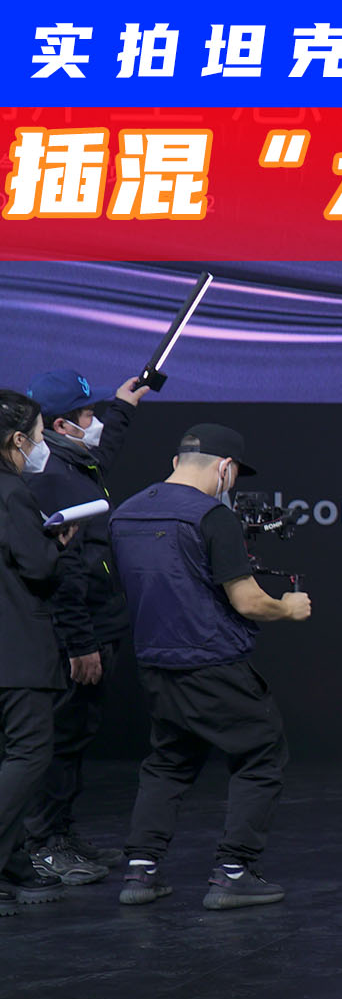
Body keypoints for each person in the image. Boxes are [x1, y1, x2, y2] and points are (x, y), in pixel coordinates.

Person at [110, 424, 314, 909]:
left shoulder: (125, 513)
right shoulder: (211, 517)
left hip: (156, 661)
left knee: (169, 761)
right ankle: (234, 871)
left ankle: (140, 869)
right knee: (261, 754)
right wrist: (288, 607)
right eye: (235, 473)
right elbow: (247, 601)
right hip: (212, 661)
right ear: (225, 467)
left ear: (177, 461)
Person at [20, 368, 152, 886]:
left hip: (99, 625)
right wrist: (81, 644)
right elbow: (65, 574)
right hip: (79, 635)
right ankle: (42, 846)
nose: (94, 422)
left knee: (75, 739)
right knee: (60, 741)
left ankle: (61, 832)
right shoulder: (51, 478)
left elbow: (104, 452)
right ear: (61, 425)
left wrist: (122, 409)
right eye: (88, 414)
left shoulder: (75, 464)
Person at [0, 390, 76, 914]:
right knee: (29, 754)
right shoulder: (13, 494)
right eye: (39, 435)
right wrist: (59, 544)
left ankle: (11, 862)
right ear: (17, 440)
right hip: (17, 650)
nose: (41, 445)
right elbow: (39, 567)